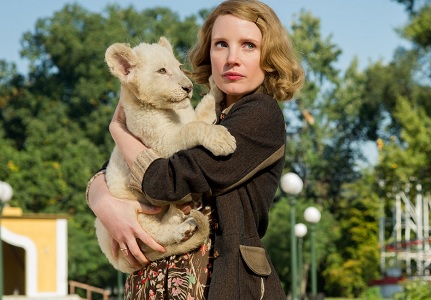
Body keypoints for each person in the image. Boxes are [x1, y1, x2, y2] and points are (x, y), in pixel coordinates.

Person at [86, 0, 304, 298]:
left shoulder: (260, 115)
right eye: (221, 44)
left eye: (249, 45)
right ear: (209, 53)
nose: (232, 58)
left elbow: (168, 181)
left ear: (268, 57)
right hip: (151, 282)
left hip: (217, 283)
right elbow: (119, 168)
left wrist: (117, 130)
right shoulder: (197, 112)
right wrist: (100, 198)